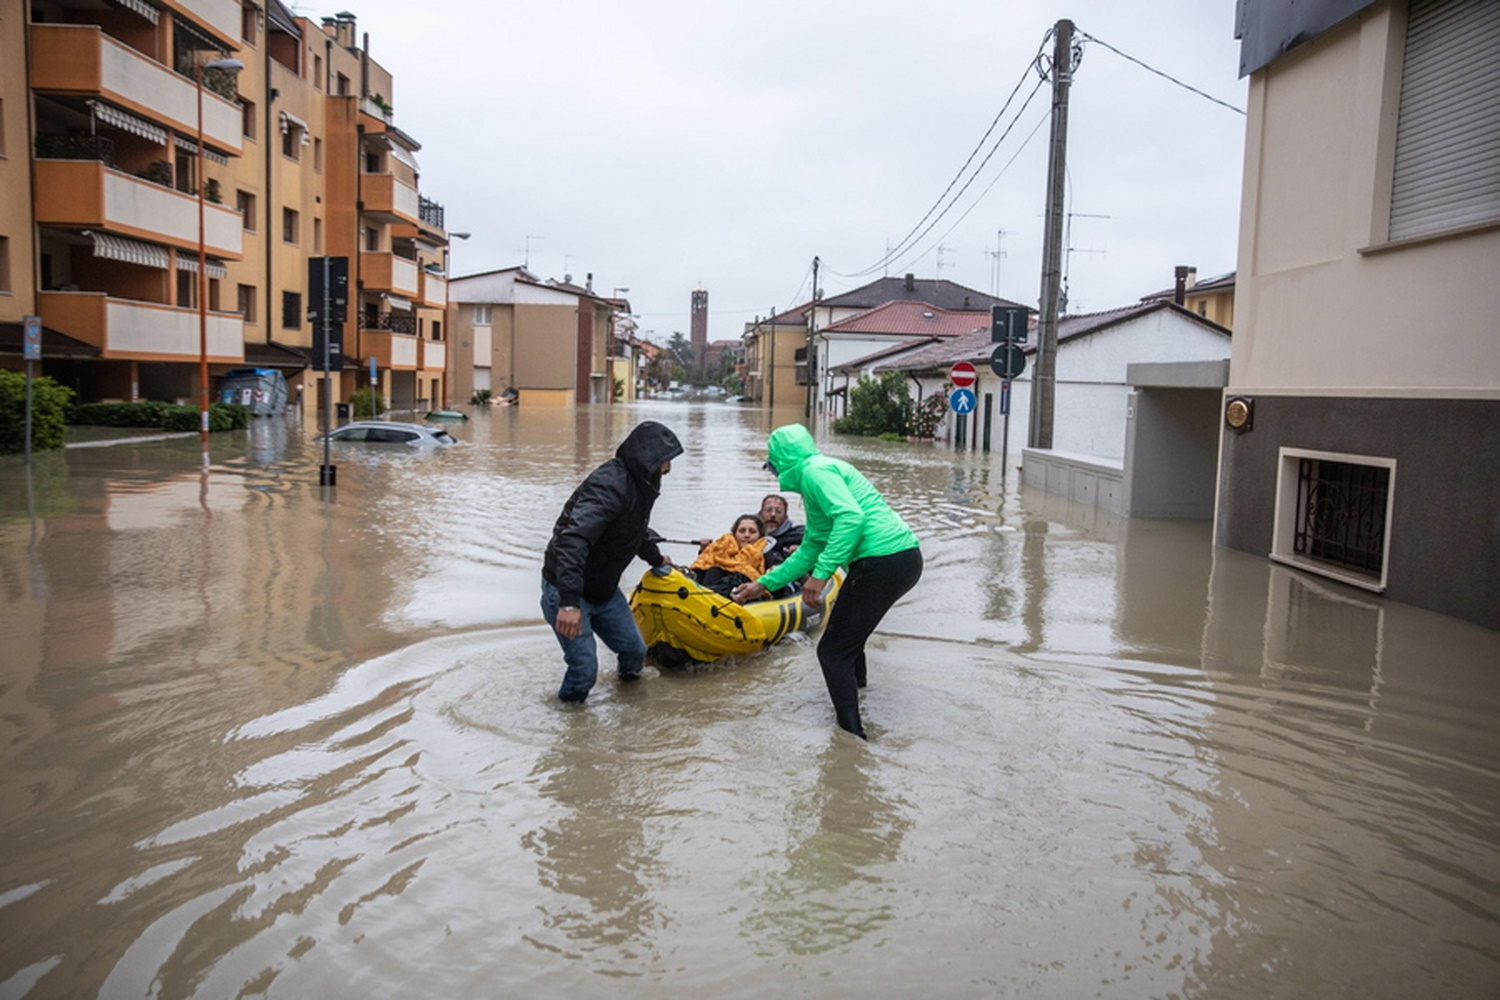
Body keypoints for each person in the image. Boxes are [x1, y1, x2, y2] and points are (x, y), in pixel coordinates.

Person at [731, 424, 922, 739]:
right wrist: (762, 585)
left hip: (883, 561)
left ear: (783, 459)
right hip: (899, 559)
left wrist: (820, 576)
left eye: (773, 464)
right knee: (849, 638)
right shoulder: (817, 477)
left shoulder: (815, 473)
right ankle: (858, 691)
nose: (773, 471)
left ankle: (851, 740)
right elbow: (809, 549)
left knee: (831, 651)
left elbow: (851, 518)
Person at [541, 420, 683, 702]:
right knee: (584, 670)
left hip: (604, 591)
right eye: (666, 460)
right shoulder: (609, 486)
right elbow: (573, 540)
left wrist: (657, 559)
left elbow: (635, 531)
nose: (669, 468)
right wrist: (569, 603)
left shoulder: (644, 484)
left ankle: (628, 702)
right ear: (649, 458)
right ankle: (570, 726)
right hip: (569, 591)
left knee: (635, 652)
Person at [690, 514, 767, 596]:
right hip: (712, 586)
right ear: (734, 534)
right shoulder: (721, 547)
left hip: (743, 592)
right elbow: (703, 564)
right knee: (714, 570)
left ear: (760, 535)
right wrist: (703, 551)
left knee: (739, 576)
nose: (746, 535)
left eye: (752, 532)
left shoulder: (767, 552)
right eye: (742, 531)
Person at [757, 493, 804, 570]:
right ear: (760, 514)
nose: (773, 515)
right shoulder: (747, 534)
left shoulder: (799, 535)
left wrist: (802, 550)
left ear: (786, 517)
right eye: (768, 510)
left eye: (779, 512)